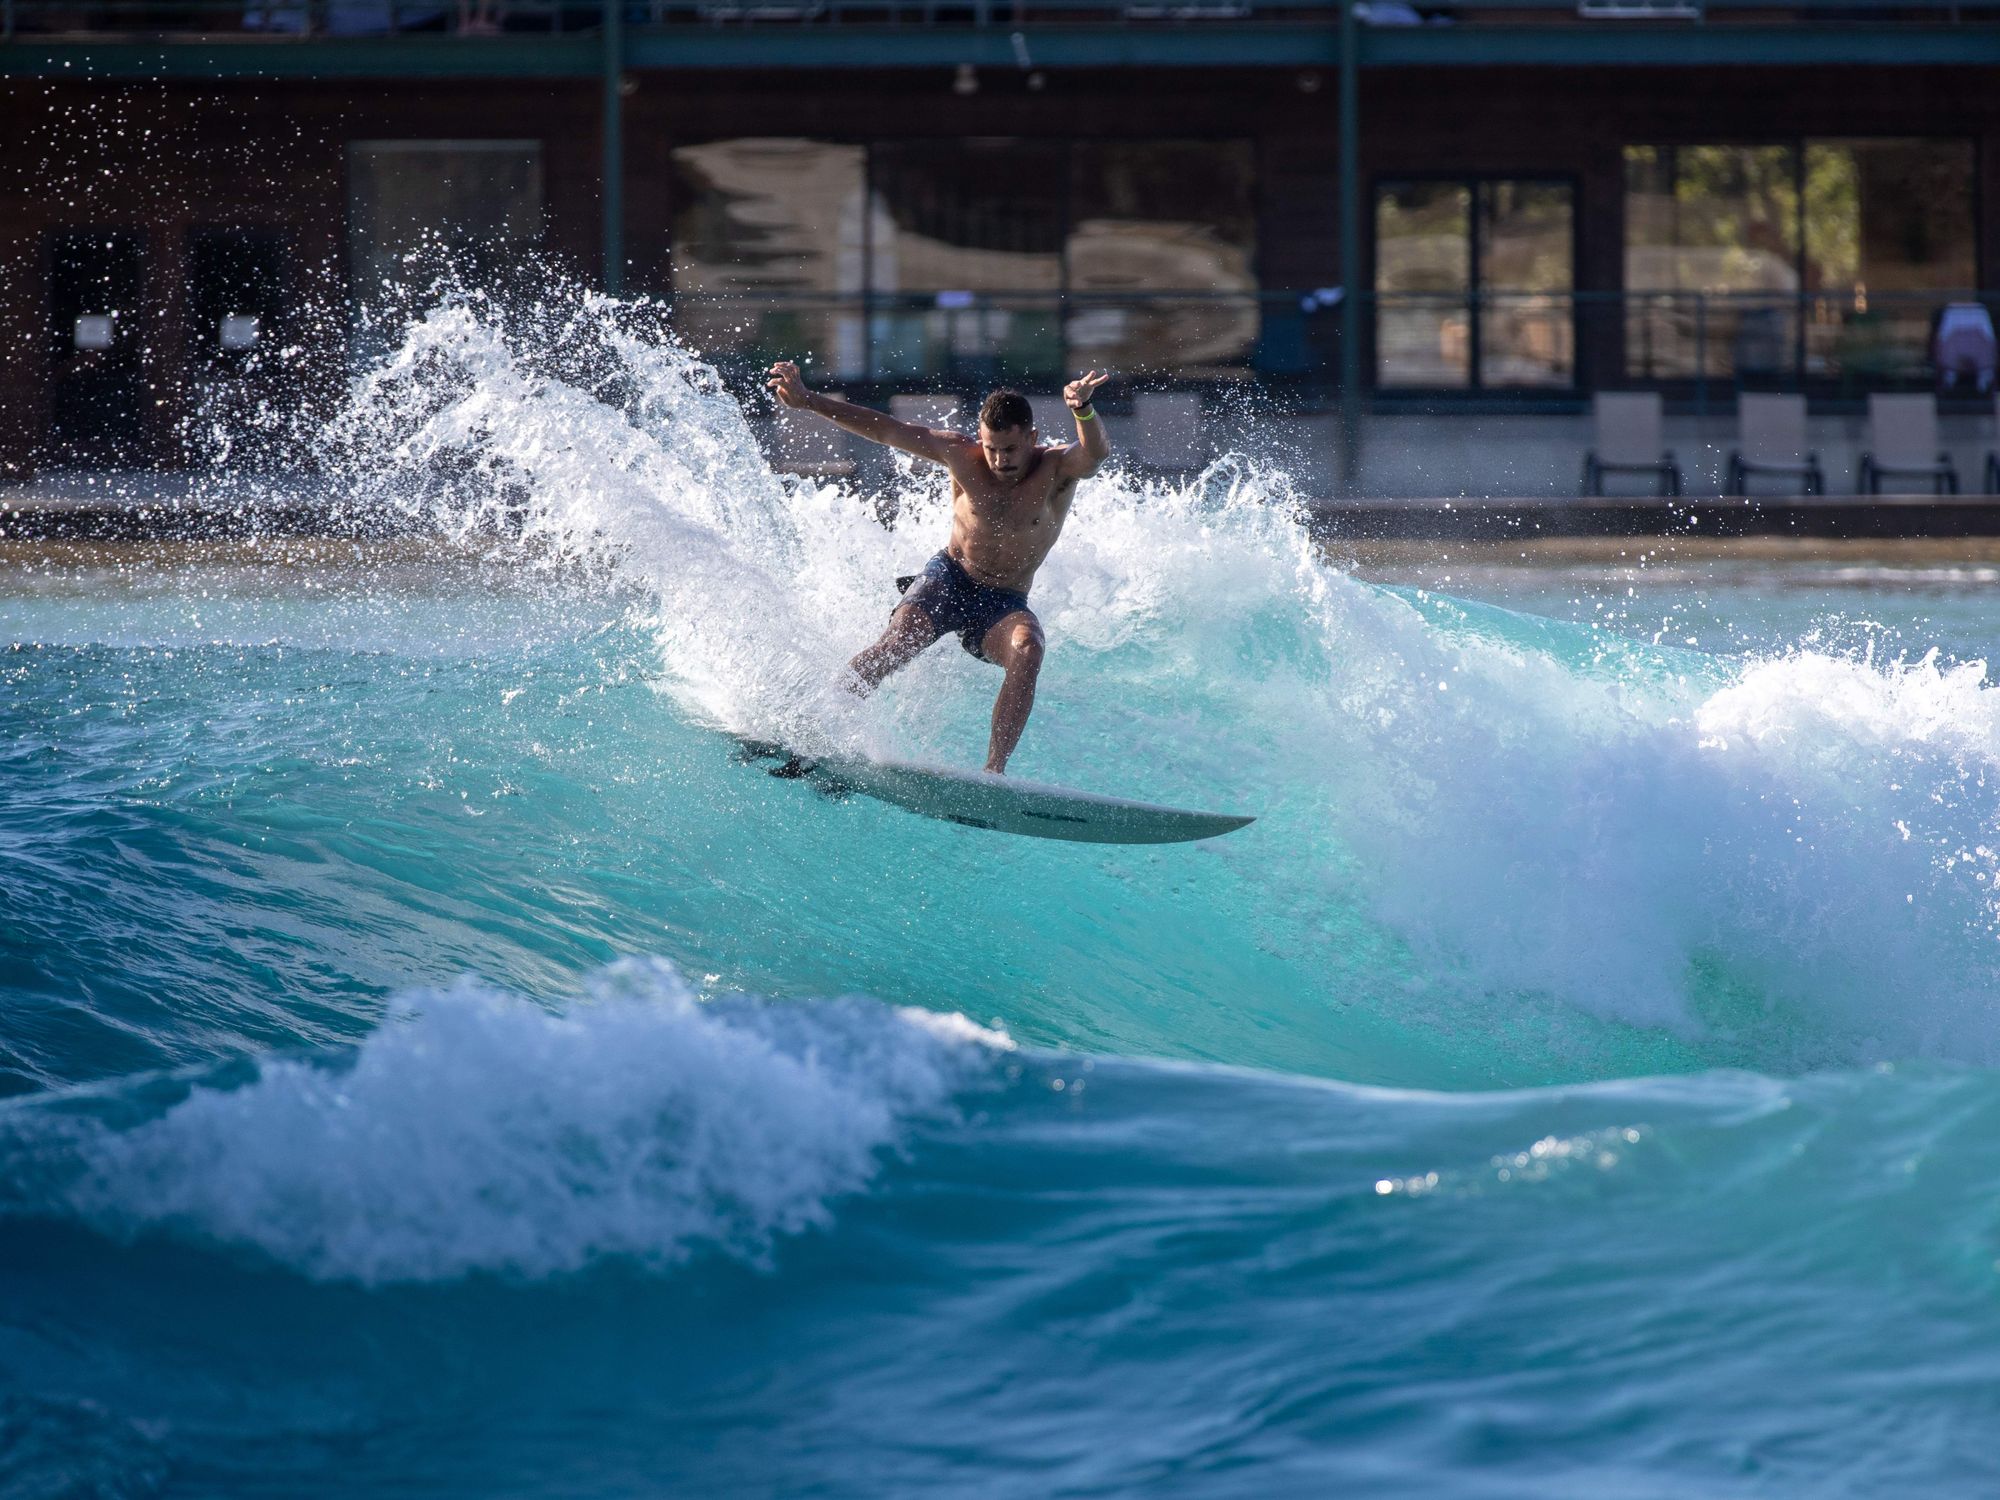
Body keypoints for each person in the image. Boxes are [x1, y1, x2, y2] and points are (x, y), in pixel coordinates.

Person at [766, 362, 1111, 775]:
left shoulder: (1056, 470)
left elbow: (1095, 453)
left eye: (1010, 450)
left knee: (1029, 648)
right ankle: (815, 732)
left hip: (1003, 602)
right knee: (897, 644)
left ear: (1031, 439)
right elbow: (886, 429)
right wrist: (808, 401)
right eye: (991, 448)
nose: (999, 460)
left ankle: (993, 772)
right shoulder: (959, 454)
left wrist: (1083, 411)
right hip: (948, 577)